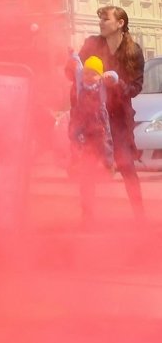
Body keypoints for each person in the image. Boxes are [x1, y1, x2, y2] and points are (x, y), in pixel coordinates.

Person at [68, 6, 145, 220]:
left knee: (126, 164)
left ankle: (140, 216)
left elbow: (135, 88)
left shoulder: (133, 51)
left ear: (120, 23)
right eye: (100, 19)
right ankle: (88, 216)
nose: (101, 23)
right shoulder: (92, 44)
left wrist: (117, 84)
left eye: (106, 19)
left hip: (119, 119)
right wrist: (71, 65)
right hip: (92, 115)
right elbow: (74, 73)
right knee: (88, 164)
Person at [67, 54, 115, 224]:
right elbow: (79, 69)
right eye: (87, 73)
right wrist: (73, 56)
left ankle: (109, 164)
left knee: (106, 143)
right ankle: (87, 210)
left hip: (99, 126)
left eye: (93, 74)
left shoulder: (101, 85)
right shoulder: (81, 86)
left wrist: (110, 76)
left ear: (99, 76)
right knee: (74, 141)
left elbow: (113, 78)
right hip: (84, 128)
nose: (88, 77)